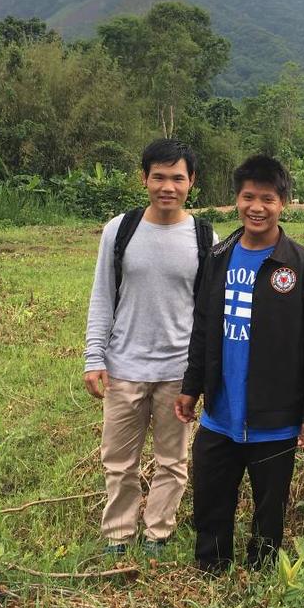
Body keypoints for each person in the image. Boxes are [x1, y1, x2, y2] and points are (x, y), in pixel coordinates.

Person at [175, 155, 304, 572]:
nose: (257, 207)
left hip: (276, 419)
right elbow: (204, 327)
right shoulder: (218, 258)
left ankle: (261, 569)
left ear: (283, 202)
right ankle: (211, 565)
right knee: (211, 498)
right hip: (219, 416)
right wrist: (192, 387)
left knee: (270, 508)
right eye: (248, 197)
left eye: (268, 198)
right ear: (237, 200)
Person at [83, 139, 217, 555]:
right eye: (158, 176)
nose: (167, 186)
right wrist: (94, 356)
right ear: (144, 179)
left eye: (177, 178)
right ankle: (119, 534)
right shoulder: (119, 230)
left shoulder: (203, 236)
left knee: (172, 462)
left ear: (191, 181)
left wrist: (204, 373)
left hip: (178, 371)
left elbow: (207, 311)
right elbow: (103, 296)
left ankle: (159, 532)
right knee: (118, 462)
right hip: (124, 366)